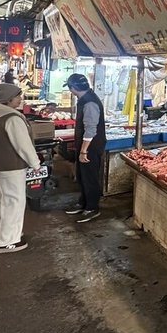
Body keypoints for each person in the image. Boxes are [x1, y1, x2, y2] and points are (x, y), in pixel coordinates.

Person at [0, 83, 40, 253]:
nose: (20, 99)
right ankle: (7, 241)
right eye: (18, 96)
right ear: (9, 100)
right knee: (14, 203)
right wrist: (35, 163)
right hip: (11, 167)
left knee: (0, 202)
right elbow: (22, 145)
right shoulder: (12, 118)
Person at [64, 73, 105, 223]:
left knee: (90, 177)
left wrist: (83, 150)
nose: (70, 92)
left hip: (91, 148)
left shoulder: (90, 103)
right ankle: (83, 203)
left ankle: (92, 208)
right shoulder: (84, 100)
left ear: (74, 88)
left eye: (70, 88)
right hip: (85, 145)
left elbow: (91, 129)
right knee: (82, 176)